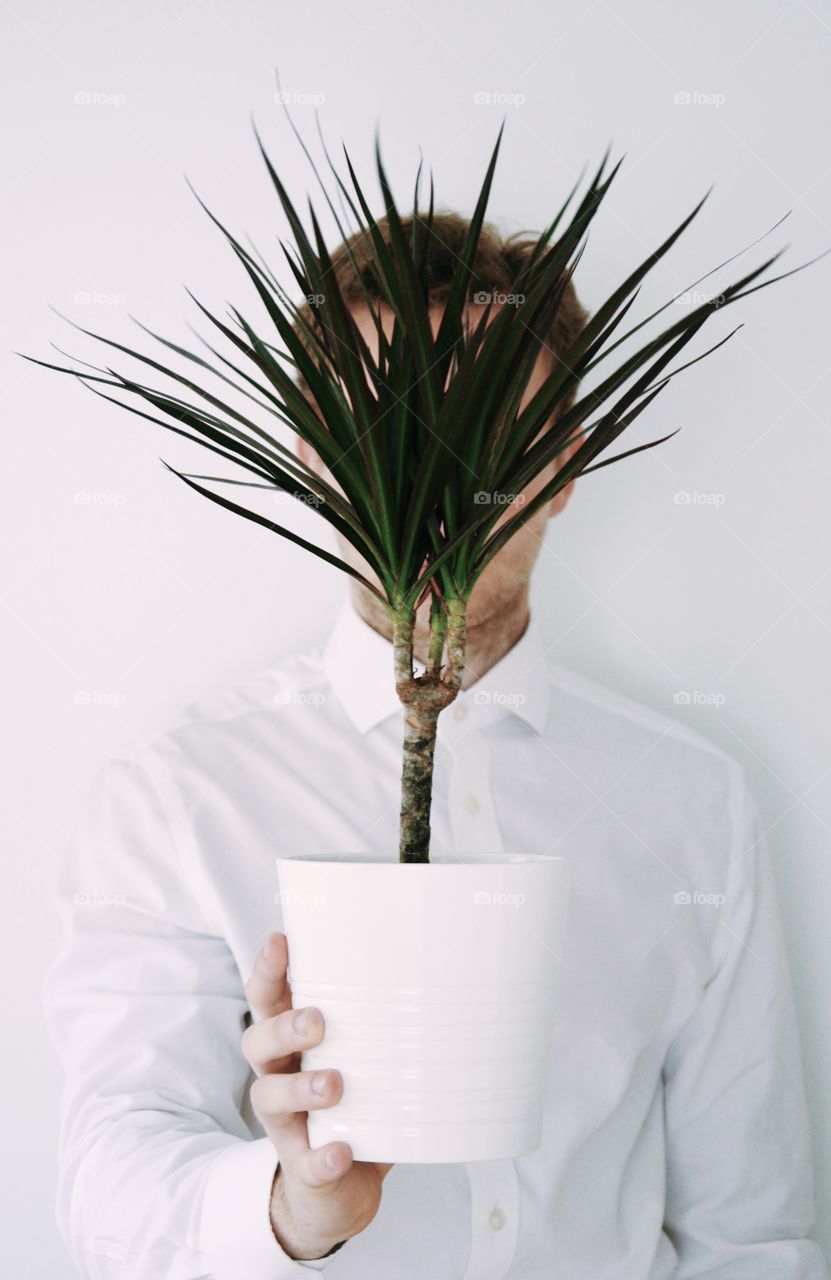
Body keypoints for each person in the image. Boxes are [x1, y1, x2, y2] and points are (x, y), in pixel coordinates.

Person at [44, 214, 828, 1279]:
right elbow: (105, 1190)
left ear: (561, 461)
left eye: (483, 436)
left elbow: (753, 1232)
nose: (434, 491)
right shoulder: (180, 797)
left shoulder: (693, 804)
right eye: (386, 436)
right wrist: (294, 1204)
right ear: (316, 459)